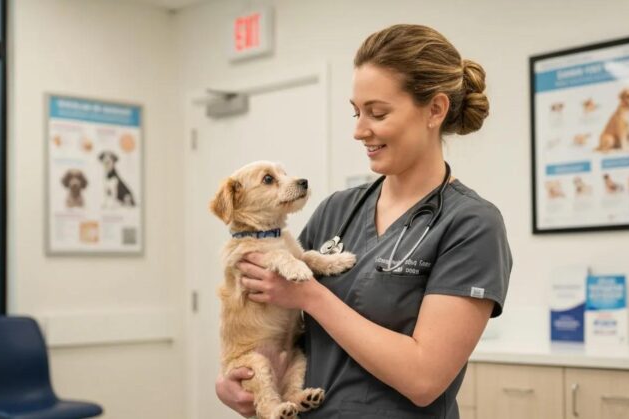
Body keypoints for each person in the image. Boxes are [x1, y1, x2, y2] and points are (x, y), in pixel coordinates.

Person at [216, 23, 512, 418]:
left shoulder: (472, 225)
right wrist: (237, 382)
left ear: (435, 110)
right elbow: (274, 315)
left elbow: (424, 379)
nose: (358, 131)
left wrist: (311, 297)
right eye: (357, 112)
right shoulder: (336, 211)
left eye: (377, 113)